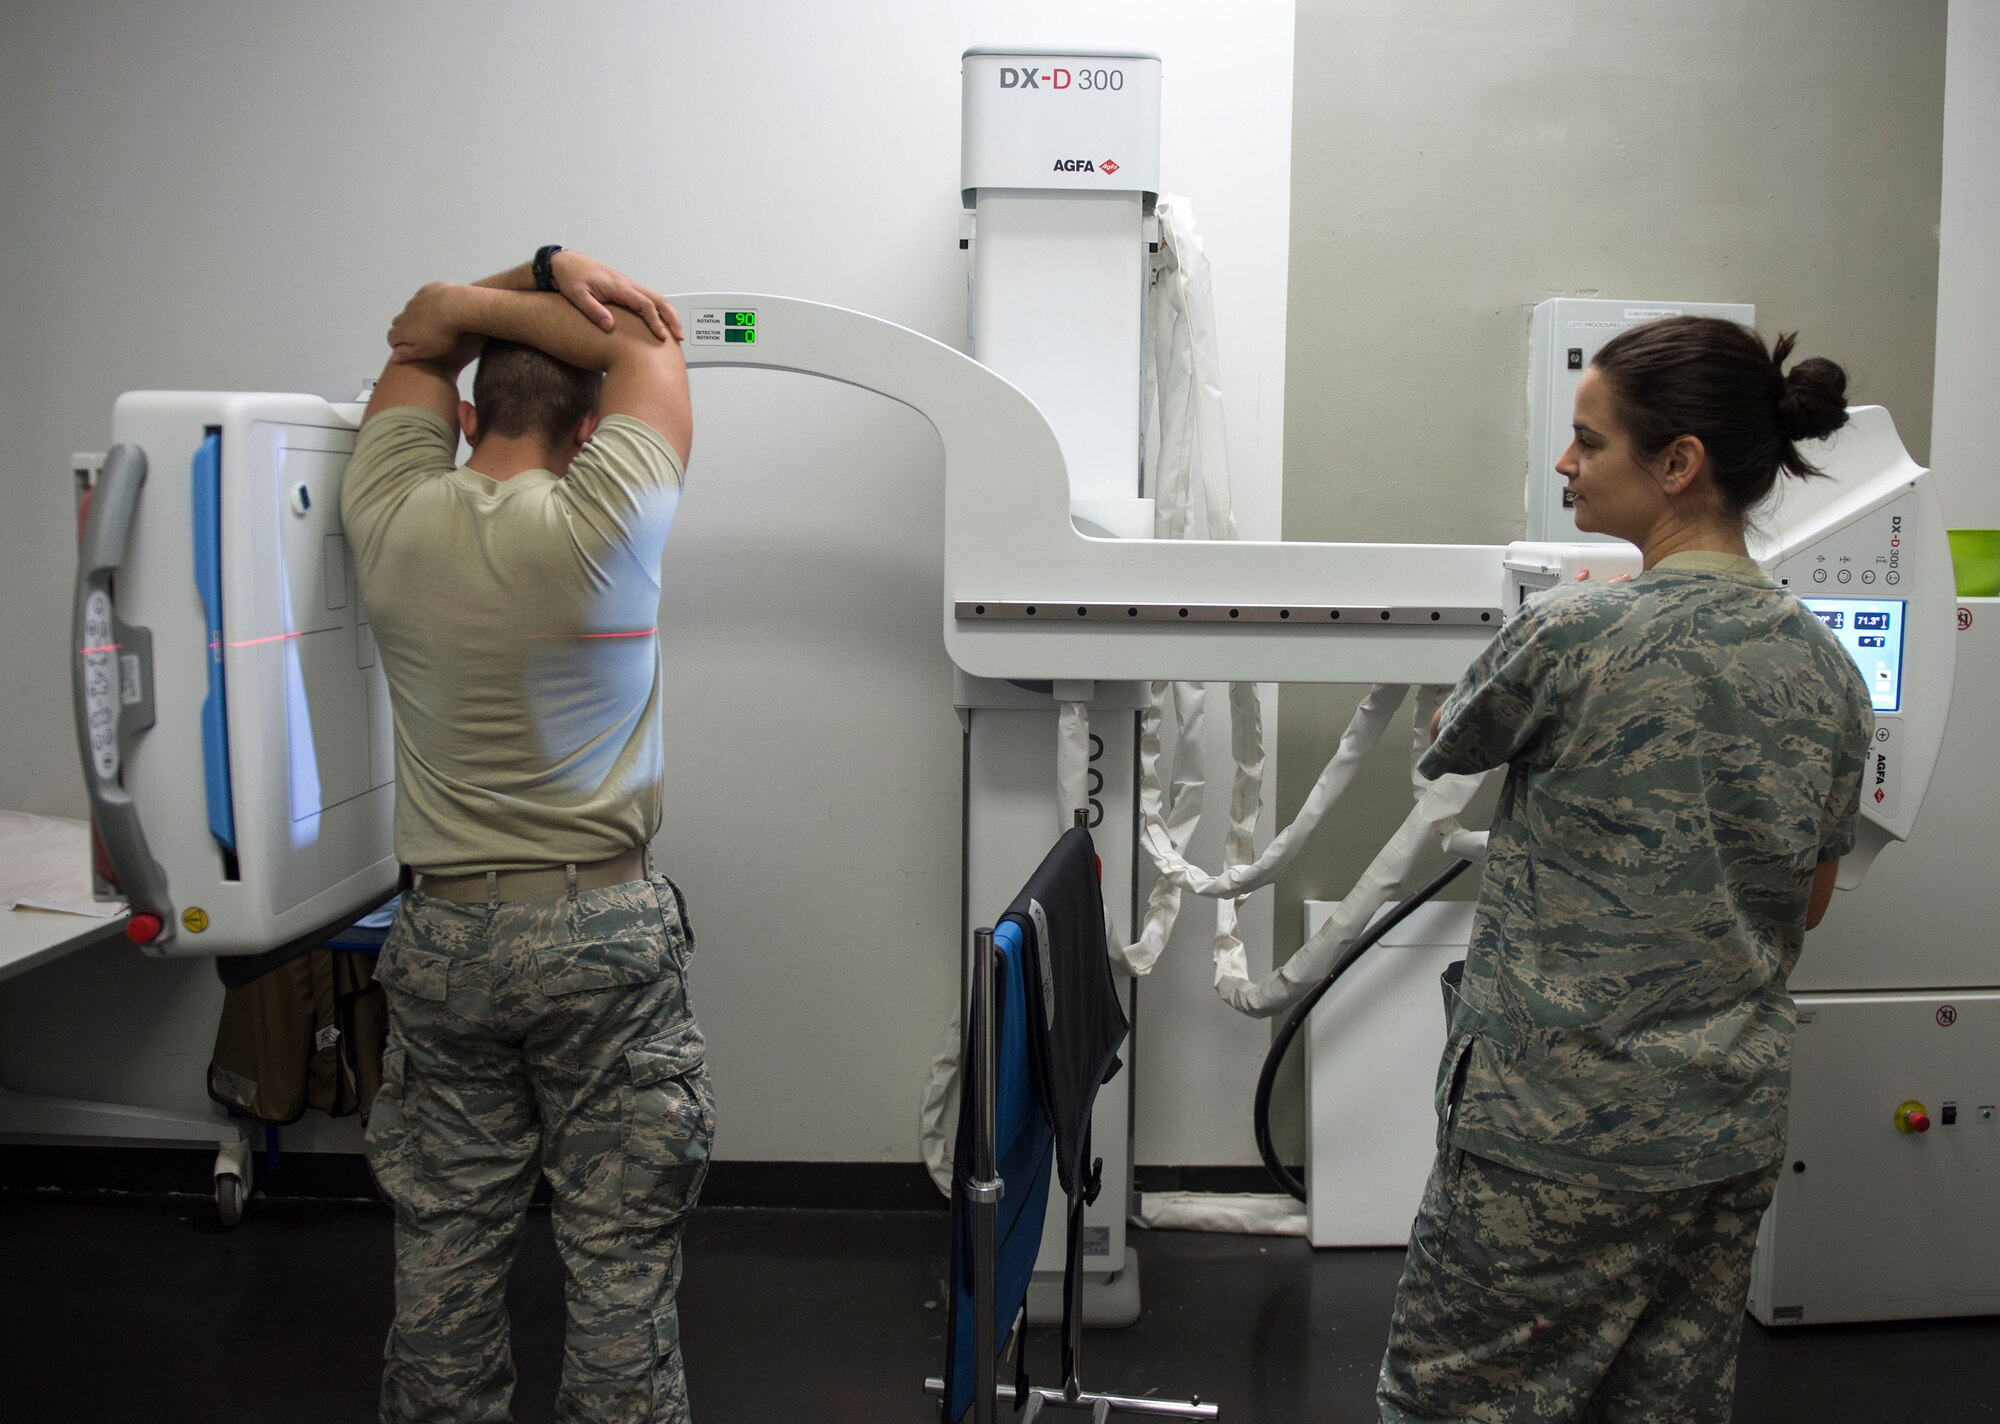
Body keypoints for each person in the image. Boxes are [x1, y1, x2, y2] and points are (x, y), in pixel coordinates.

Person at [1376, 316, 1874, 1423]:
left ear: (1678, 463)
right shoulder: (1830, 668)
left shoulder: (1569, 635)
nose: (1565, 464)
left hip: (1552, 1140)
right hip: (1722, 1133)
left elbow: (1444, 741)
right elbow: (1808, 895)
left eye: (1587, 441)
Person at [341, 248, 709, 1424]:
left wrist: (498, 286)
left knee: (445, 1242)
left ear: (466, 413)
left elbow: (416, 339)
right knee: (616, 1257)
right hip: (600, 927)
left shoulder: (387, 509)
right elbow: (648, 346)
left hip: (442, 930)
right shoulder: (611, 513)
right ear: (592, 425)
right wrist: (530, 286)